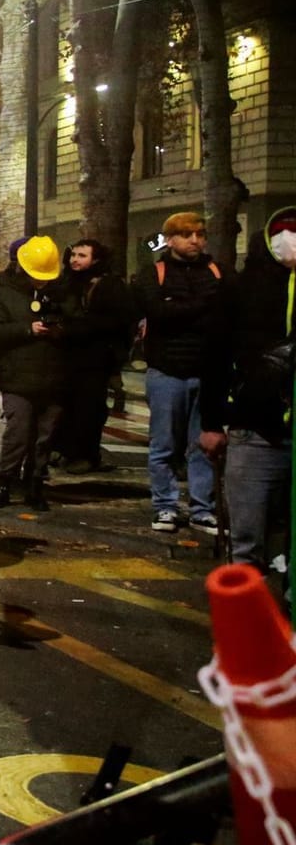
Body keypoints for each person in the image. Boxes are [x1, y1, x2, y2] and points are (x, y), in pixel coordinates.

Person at [200, 206, 296, 574]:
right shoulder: (239, 290)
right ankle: (245, 622)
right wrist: (211, 423)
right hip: (255, 429)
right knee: (247, 538)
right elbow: (215, 358)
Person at [131, 211, 227, 534]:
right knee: (164, 444)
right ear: (170, 239)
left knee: (203, 445)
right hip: (167, 370)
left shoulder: (216, 272)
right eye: (187, 235)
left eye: (200, 234)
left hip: (207, 371)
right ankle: (166, 506)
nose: (195, 241)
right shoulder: (154, 273)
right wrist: (202, 306)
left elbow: (224, 314)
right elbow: (160, 313)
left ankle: (203, 507)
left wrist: (183, 310)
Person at [0, 236, 69, 512]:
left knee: (44, 436)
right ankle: (4, 482)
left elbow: (78, 323)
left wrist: (61, 329)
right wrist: (26, 330)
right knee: (17, 433)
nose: (41, 281)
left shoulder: (60, 291)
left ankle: (35, 484)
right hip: (17, 375)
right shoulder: (1, 292)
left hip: (54, 376)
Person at [53, 238, 136, 474]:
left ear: (95, 259)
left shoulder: (108, 285)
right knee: (66, 406)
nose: (75, 260)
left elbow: (116, 321)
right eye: (73, 255)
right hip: (68, 356)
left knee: (89, 408)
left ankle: (85, 454)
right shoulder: (66, 283)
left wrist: (75, 328)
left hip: (95, 358)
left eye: (82, 256)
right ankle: (67, 450)